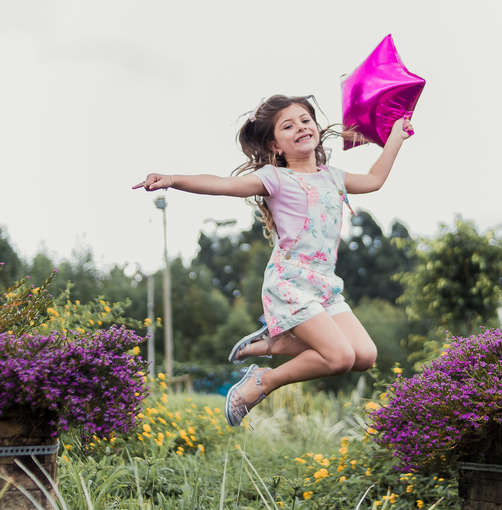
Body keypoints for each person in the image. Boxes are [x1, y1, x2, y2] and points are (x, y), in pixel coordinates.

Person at [132, 94, 413, 426]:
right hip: (290, 282)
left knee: (364, 356)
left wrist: (396, 136)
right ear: (276, 145)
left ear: (316, 127)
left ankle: (275, 342)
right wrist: (174, 180)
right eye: (288, 126)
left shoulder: (333, 177)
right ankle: (264, 380)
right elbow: (224, 185)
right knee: (339, 357)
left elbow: (374, 180)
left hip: (324, 283)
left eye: (305, 120)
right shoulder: (276, 178)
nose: (300, 128)